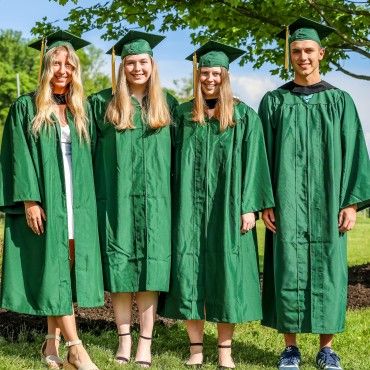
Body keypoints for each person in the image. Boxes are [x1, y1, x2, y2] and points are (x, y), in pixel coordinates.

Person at [259, 17, 370, 370]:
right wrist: (265, 202)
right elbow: (261, 156)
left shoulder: (340, 102)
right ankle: (290, 348)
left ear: (321, 53)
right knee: (286, 266)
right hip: (287, 202)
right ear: (289, 55)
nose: (302, 57)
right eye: (296, 51)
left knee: (329, 268)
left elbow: (354, 152)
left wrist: (351, 202)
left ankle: (327, 348)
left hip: (327, 202)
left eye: (309, 50)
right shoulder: (274, 101)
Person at [159, 41, 275, 369]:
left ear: (226, 75)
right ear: (198, 75)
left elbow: (255, 164)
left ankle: (225, 349)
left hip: (229, 206)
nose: (209, 78)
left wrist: (250, 207)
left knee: (229, 272)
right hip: (188, 208)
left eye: (215, 73)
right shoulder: (182, 115)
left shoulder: (243, 116)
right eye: (204, 72)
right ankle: (196, 348)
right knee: (188, 271)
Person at [0, 30, 104, 370]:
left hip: (78, 201)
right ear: (46, 67)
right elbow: (18, 156)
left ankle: (50, 342)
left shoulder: (80, 110)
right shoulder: (25, 107)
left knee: (64, 267)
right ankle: (76, 348)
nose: (62, 69)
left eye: (69, 64)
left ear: (75, 70)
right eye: (56, 63)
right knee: (54, 267)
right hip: (47, 199)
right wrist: (30, 199)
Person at [88, 30, 178, 368]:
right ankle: (123, 340)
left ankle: (145, 344)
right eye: (130, 63)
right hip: (116, 202)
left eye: (143, 62)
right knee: (121, 268)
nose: (137, 68)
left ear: (152, 65)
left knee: (151, 273)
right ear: (121, 66)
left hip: (156, 204)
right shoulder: (103, 104)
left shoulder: (167, 104)